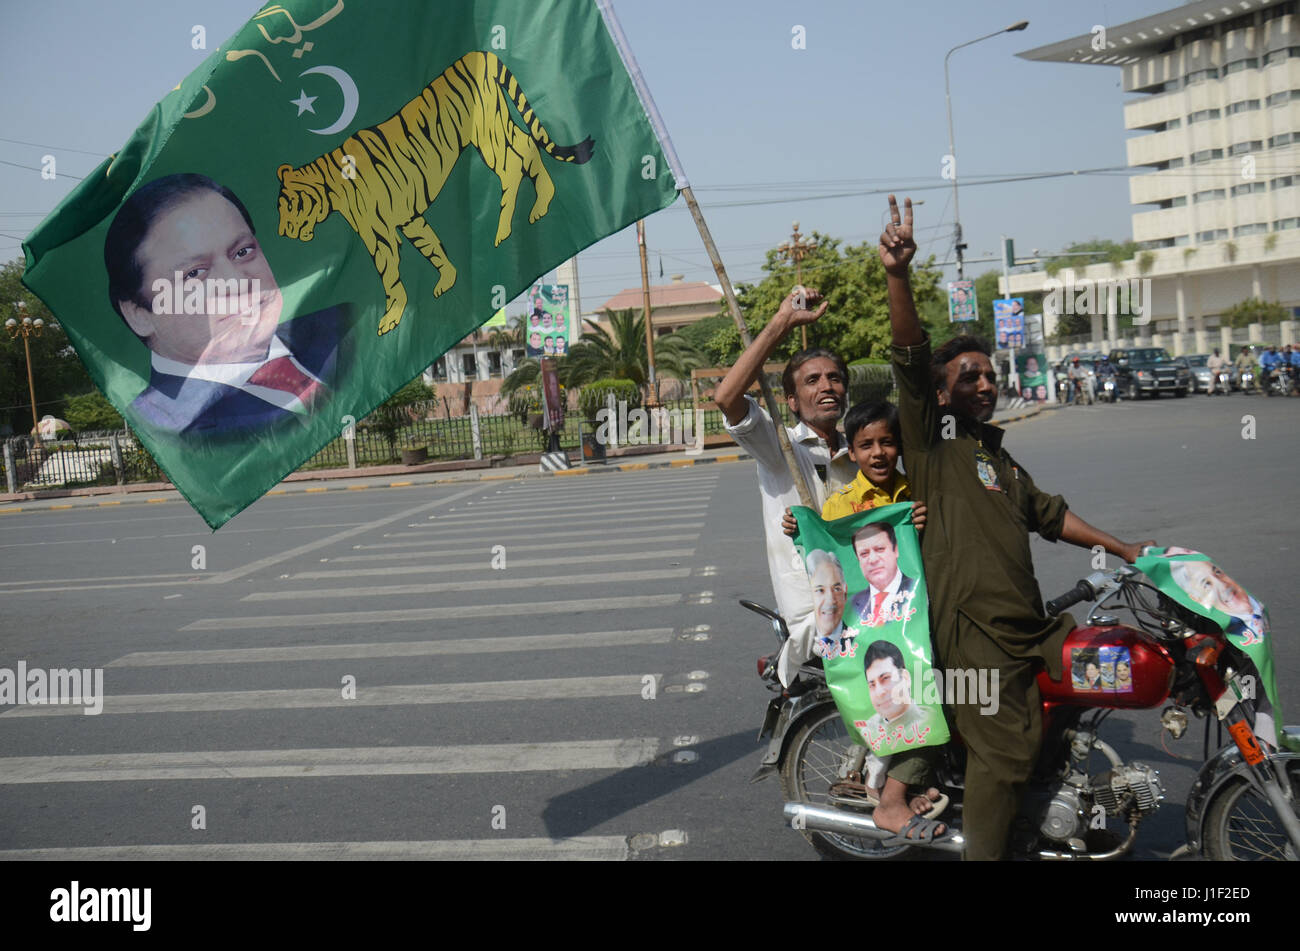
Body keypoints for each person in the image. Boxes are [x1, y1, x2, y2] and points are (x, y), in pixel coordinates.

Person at [878, 194, 1154, 860]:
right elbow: (910, 356)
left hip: (1028, 628)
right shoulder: (936, 439)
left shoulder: (996, 455)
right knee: (1002, 758)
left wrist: (1124, 548)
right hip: (973, 633)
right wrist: (898, 274)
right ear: (942, 393)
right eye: (967, 374)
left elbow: (1049, 514)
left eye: (989, 373)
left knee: (1075, 703)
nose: (984, 381)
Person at [104, 172, 350, 437]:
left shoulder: (349, 327)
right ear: (139, 314)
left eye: (243, 252)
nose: (235, 282)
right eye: (195, 273)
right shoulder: (165, 427)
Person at [715, 290, 858, 687]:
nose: (827, 386)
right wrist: (781, 323)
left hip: (867, 602)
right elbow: (727, 398)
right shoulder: (781, 447)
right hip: (816, 614)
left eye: (834, 378)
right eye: (813, 381)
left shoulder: (861, 455)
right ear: (792, 401)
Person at [806, 549, 853, 659]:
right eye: (820, 590)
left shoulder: (861, 639)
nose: (830, 600)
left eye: (836, 589)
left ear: (845, 591)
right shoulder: (806, 641)